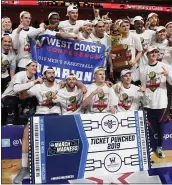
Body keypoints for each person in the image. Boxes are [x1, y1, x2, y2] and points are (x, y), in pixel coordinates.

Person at [13, 67, 61, 184]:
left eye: (53, 73)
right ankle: (24, 167)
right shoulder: (38, 87)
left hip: (55, 114)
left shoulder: (59, 85)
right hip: (41, 113)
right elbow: (22, 96)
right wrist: (30, 84)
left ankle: (58, 166)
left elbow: (75, 84)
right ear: (44, 75)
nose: (51, 75)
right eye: (49, 73)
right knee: (26, 132)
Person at [131, 46, 172, 158]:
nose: (154, 54)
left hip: (161, 102)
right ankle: (147, 147)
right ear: (147, 55)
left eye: (155, 52)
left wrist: (168, 74)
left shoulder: (165, 66)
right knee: (147, 126)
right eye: (151, 52)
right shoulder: (142, 68)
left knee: (160, 126)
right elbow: (130, 78)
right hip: (147, 102)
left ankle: (159, 147)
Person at [2, 60, 42, 125]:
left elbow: (27, 92)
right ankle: (9, 121)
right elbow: (16, 89)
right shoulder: (20, 75)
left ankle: (27, 118)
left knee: (34, 99)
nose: (35, 67)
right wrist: (33, 82)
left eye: (36, 66)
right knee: (12, 101)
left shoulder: (33, 77)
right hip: (8, 96)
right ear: (27, 67)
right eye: (33, 66)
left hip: (20, 97)